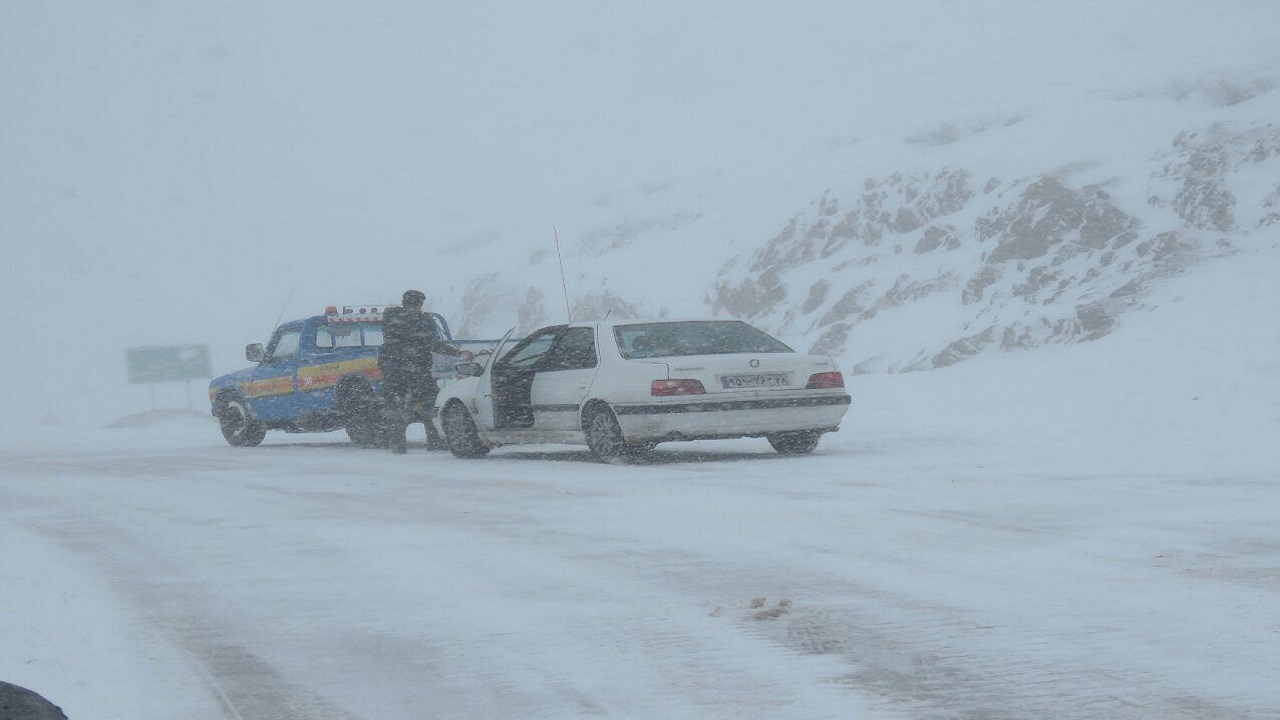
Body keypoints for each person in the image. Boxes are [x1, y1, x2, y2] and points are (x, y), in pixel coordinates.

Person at [378, 290, 471, 454]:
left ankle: (397, 444)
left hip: (392, 369)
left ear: (403, 301)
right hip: (417, 369)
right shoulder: (422, 320)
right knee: (430, 403)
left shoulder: (390, 317)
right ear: (420, 303)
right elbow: (433, 344)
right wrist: (457, 353)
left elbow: (397, 338)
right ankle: (434, 440)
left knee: (395, 405)